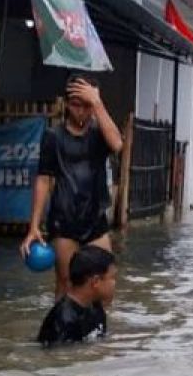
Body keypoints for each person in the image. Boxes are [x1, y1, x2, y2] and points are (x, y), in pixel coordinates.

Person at [21, 75, 123, 297]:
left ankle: (100, 329)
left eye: (87, 106)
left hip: (95, 219)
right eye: (77, 105)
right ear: (67, 104)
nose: (82, 112)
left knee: (104, 283)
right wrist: (34, 226)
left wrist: (97, 103)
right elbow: (43, 179)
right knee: (66, 283)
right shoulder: (53, 137)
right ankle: (61, 330)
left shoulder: (99, 133)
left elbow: (117, 144)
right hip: (64, 220)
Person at [37, 245, 116, 347]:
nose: (114, 283)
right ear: (95, 282)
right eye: (112, 277)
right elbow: (57, 357)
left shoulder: (95, 305)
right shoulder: (63, 320)